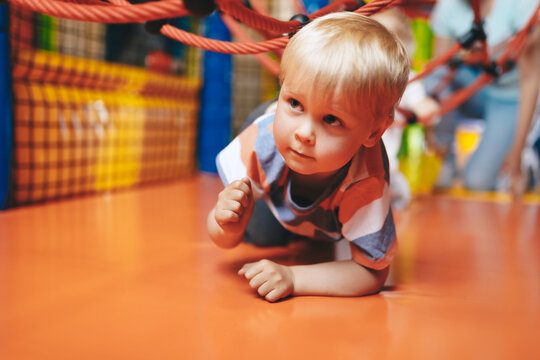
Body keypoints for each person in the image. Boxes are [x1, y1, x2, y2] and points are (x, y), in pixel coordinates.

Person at [206, 12, 410, 302]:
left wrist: (294, 277)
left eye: (331, 119)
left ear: (373, 132)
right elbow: (223, 238)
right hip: (273, 148)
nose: (304, 133)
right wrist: (226, 222)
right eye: (294, 102)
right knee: (264, 237)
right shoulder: (265, 141)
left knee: (314, 240)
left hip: (318, 197)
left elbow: (372, 273)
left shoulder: (366, 183)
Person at [425, 0, 540, 194]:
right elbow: (438, 72)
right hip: (472, 91)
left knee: (477, 182)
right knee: (432, 79)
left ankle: (526, 160)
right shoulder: (448, 6)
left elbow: (531, 81)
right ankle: (446, 161)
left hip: (508, 98)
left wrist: (518, 151)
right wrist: (432, 130)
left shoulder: (521, 6)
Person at [372, 8, 441, 208]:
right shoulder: (357, 73)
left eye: (387, 40)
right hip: (350, 166)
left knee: (399, 193)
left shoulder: (407, 79)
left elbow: (424, 109)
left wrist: (427, 109)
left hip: (386, 170)